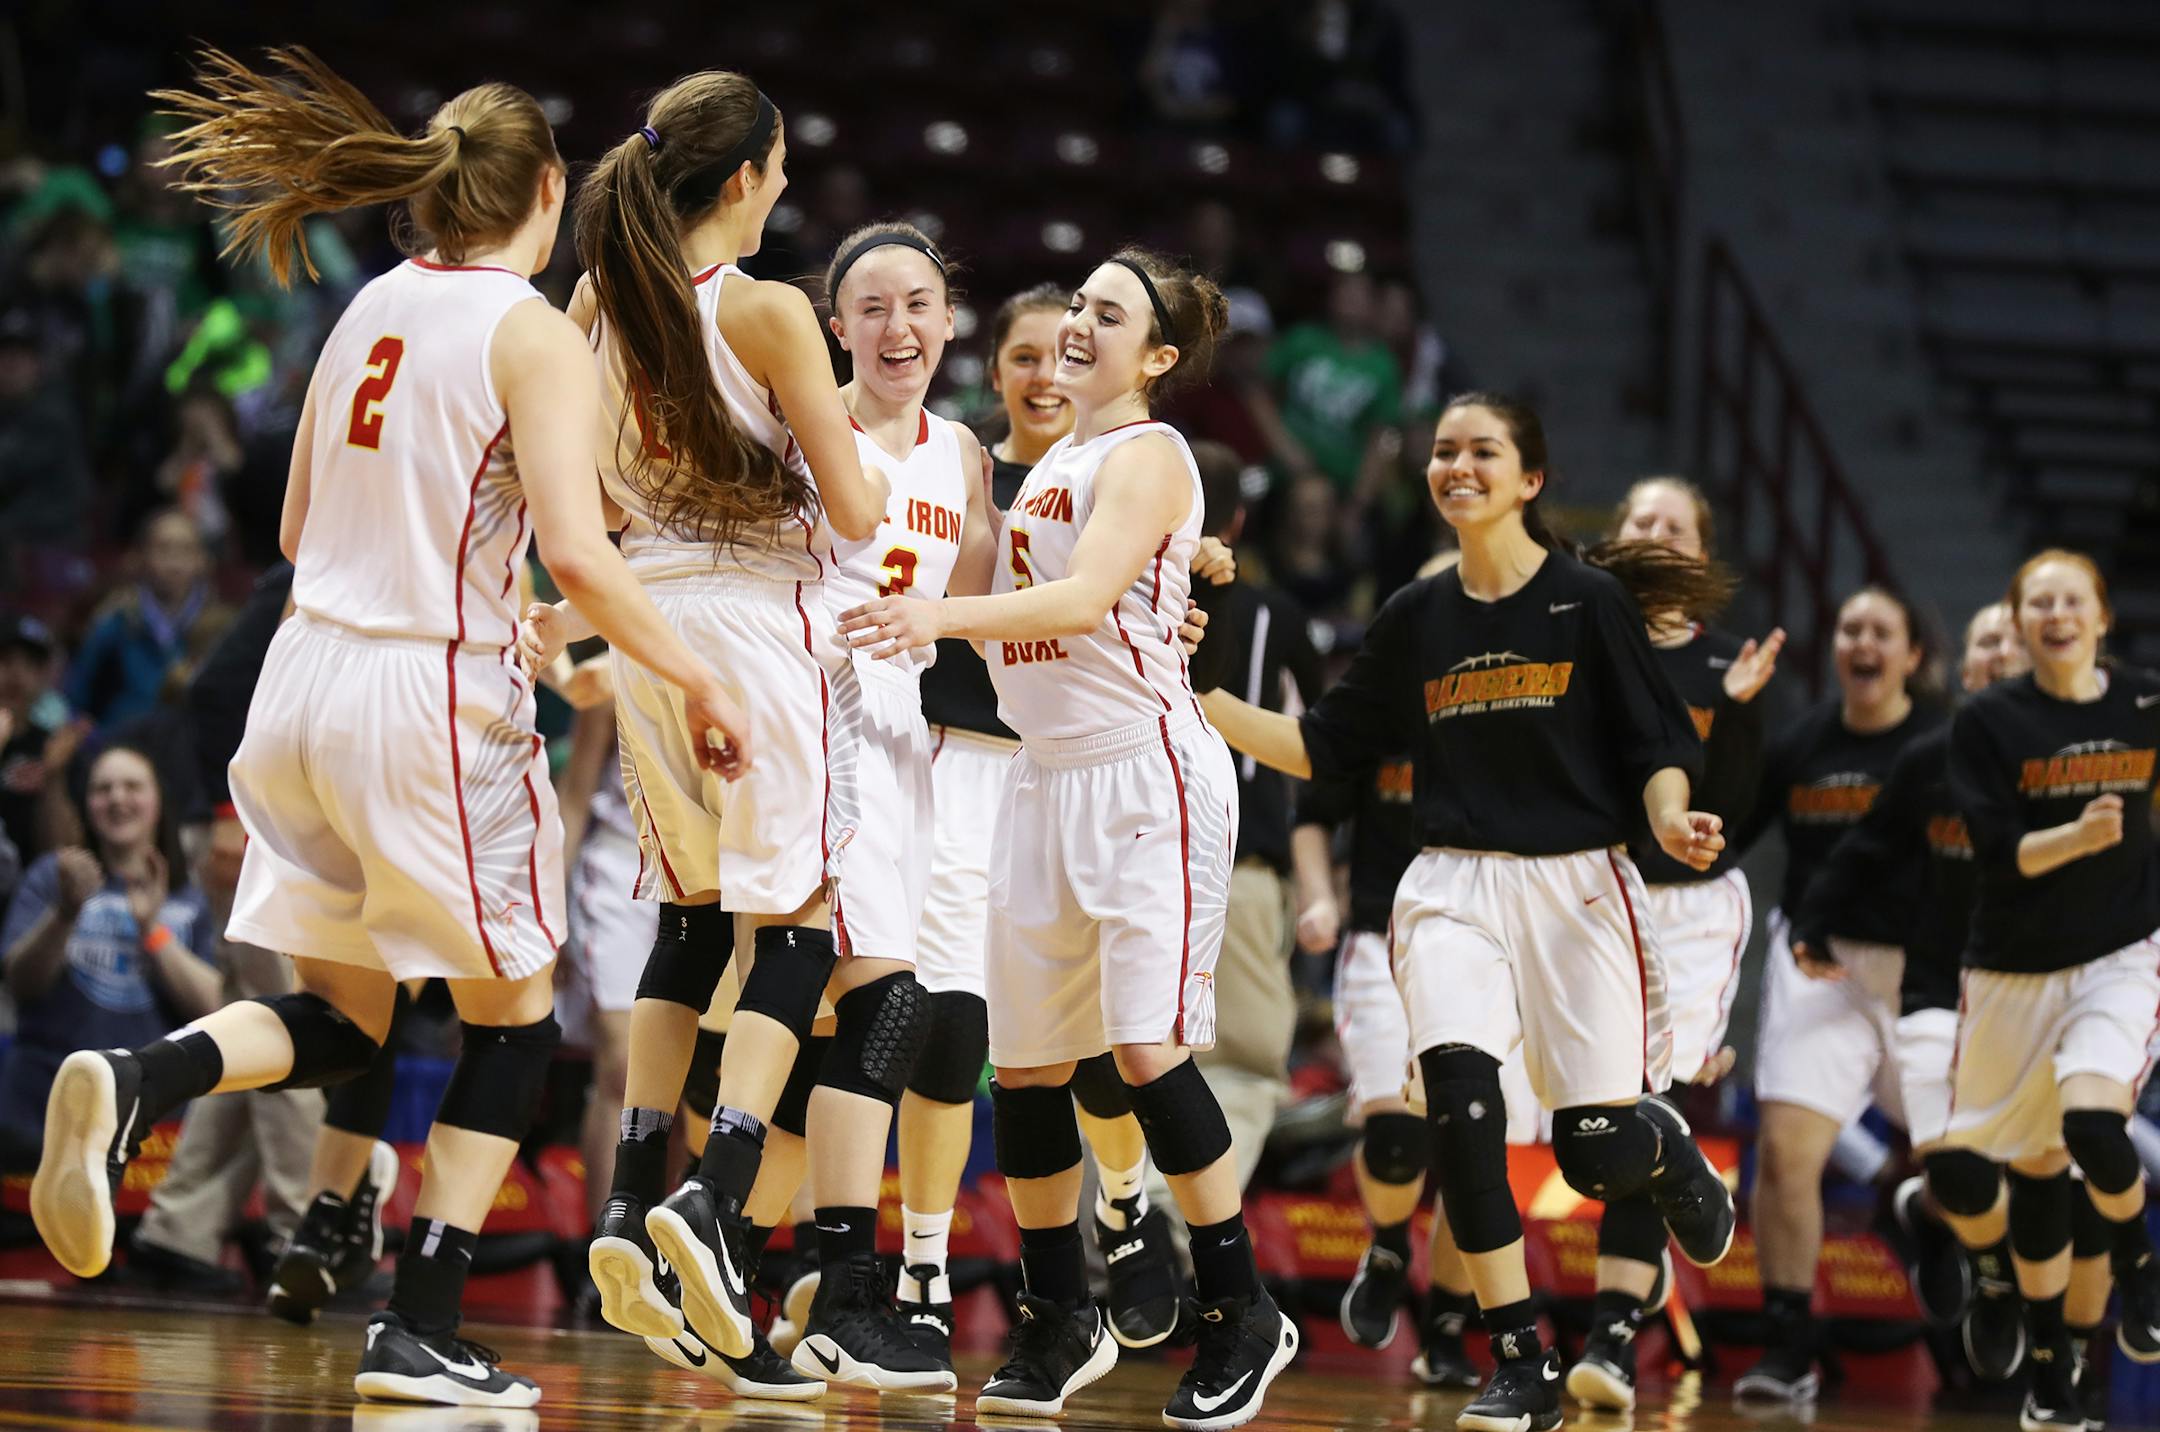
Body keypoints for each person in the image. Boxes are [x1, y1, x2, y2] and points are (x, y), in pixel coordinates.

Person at [28, 48, 748, 1408]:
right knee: (516, 1020)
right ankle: (423, 1317)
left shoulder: (368, 307)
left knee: (347, 1021)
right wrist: (700, 680)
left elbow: (296, 530)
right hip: (428, 694)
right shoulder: (527, 330)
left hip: (303, 677)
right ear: (550, 189)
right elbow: (587, 565)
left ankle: (135, 1077)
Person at [1194, 392, 1738, 1432]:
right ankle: (1519, 1355)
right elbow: (1321, 749)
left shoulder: (1588, 600)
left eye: (1483, 451)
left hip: (1578, 886)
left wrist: (1670, 820)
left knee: (1592, 1151)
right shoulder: (1415, 616)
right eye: (1444, 452)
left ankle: (1662, 1150)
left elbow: (1661, 745)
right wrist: (1202, 697)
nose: (1458, 466)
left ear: (1530, 480)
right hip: (1450, 886)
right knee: (1459, 1107)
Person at [839, 248, 1300, 1431]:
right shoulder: (1043, 470)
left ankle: (1242, 1309)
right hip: (1042, 780)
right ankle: (1057, 1316)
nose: (1082, 326)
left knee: (1144, 1050)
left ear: (1154, 356)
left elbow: (1086, 597)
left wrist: (939, 613)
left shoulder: (1150, 452)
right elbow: (982, 562)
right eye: (1076, 306)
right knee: (1031, 1066)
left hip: (1145, 775)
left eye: (1109, 314)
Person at [521, 69, 891, 1388]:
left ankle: (630, 1197)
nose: (784, 184)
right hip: (753, 631)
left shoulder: (590, 307)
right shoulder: (775, 311)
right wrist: (830, 423)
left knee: (686, 923)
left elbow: (595, 511)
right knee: (800, 922)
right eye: (780, 165)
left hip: (646, 630)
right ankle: (717, 1194)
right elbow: (853, 514)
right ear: (742, 181)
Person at [899, 281, 1188, 1364]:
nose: (1036, 371)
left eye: (1050, 351)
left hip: (1067, 767)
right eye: (1017, 355)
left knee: (1105, 1049)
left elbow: (1135, 597)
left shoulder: (1116, 475)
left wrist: (1187, 589)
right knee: (954, 1032)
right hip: (949, 762)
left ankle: (1126, 1202)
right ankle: (925, 1267)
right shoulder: (963, 471)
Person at [1788, 601, 2071, 1390]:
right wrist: (1811, 924)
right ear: (1968, 669)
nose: (1998, 657)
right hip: (1935, 985)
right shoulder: (1929, 758)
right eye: (1985, 645)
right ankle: (1976, 1259)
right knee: (1951, 1159)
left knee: (2034, 1171)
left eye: (2013, 648)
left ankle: (2029, 1325)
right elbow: (1862, 849)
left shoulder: (2068, 770)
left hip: (2032, 994)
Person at [1563, 476, 1784, 1409]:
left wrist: (1733, 712)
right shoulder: (1578, 640)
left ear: (1700, 555)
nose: (1655, 533)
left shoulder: (1731, 662)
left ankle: (1612, 1340)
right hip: (1591, 893)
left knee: (1643, 1100)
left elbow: (1730, 811)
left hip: (1688, 908)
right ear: (1617, 540)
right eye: (1640, 519)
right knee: (1611, 1115)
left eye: (1675, 525)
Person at [1937, 550, 2160, 1431]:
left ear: (2102, 617)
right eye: (2040, 603)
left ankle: (2142, 1275)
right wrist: (2075, 836)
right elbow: (2001, 855)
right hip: (2011, 969)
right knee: (2032, 1168)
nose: (2057, 614)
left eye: (2074, 600)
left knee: (2093, 1124)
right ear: (2020, 621)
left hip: (2120, 954)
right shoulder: (1987, 721)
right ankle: (2050, 1377)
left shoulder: (2145, 702)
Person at [1736, 585, 1944, 1403]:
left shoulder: (1944, 742)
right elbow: (1728, 834)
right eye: (1849, 627)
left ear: (1912, 656)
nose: (1861, 642)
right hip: (1819, 964)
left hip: (1926, 969)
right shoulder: (1800, 743)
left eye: (1880, 631)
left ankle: (1930, 1219)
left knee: (1962, 1168)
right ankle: (1789, 1346)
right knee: (1788, 1155)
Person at [2, 744, 215, 1169]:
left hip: (154, 1125)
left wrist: (152, 931)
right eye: (103, 789)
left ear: (158, 802)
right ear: (88, 805)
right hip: (43, 1107)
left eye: (132, 786)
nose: (117, 798)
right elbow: (19, 984)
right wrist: (65, 913)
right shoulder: (51, 877)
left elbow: (214, 1008)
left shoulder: (189, 898)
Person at [65, 509, 228, 729]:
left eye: (185, 550)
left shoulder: (222, 628)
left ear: (203, 560)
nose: (174, 562)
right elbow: (77, 699)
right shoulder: (115, 622)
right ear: (141, 557)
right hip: (121, 746)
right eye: (163, 549)